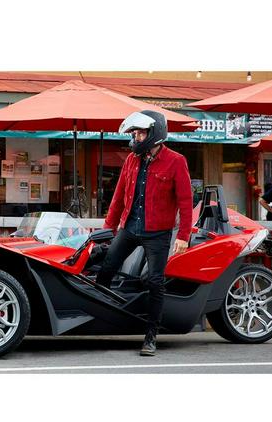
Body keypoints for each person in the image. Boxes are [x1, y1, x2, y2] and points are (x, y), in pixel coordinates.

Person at [96, 110, 193, 357]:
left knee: (155, 283)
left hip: (157, 233)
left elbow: (185, 201)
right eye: (135, 133)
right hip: (129, 228)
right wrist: (108, 229)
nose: (136, 138)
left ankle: (151, 336)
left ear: (154, 134)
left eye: (140, 133)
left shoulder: (176, 161)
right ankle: (100, 319)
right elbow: (118, 197)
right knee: (106, 269)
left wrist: (183, 236)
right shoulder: (131, 160)